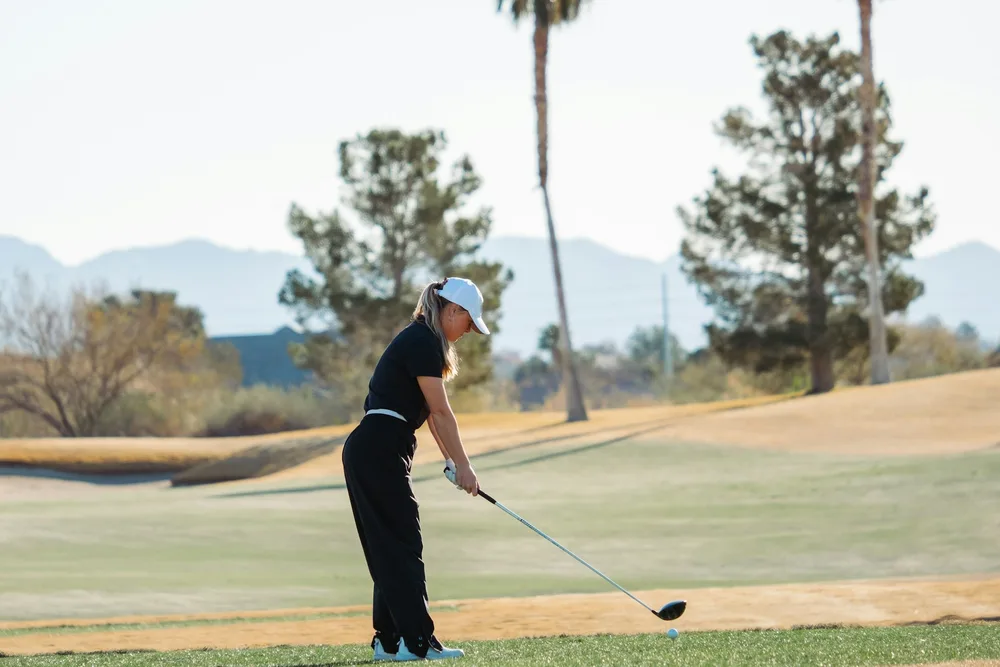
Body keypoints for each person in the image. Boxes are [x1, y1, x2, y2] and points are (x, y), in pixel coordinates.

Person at [341, 277, 488, 662]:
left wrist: (450, 461)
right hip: (380, 447)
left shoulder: (420, 338)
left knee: (389, 546)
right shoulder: (424, 341)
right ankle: (417, 642)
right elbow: (441, 412)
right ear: (452, 311)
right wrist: (465, 466)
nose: (468, 331)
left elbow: (433, 418)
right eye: (468, 322)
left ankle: (389, 642)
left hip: (374, 446)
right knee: (403, 545)